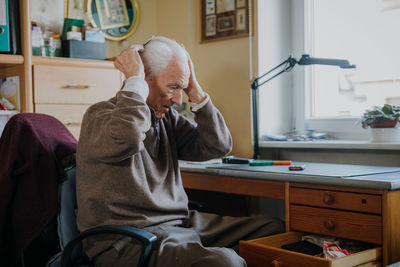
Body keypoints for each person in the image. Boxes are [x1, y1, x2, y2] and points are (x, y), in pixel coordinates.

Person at [76, 36, 284, 267]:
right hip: (128, 240)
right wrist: (133, 81)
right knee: (225, 262)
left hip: (179, 226)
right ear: (144, 78)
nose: (178, 100)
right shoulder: (100, 115)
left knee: (273, 231)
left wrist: (194, 89)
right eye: (173, 87)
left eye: (181, 88)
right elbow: (128, 137)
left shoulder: (166, 119)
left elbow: (217, 146)